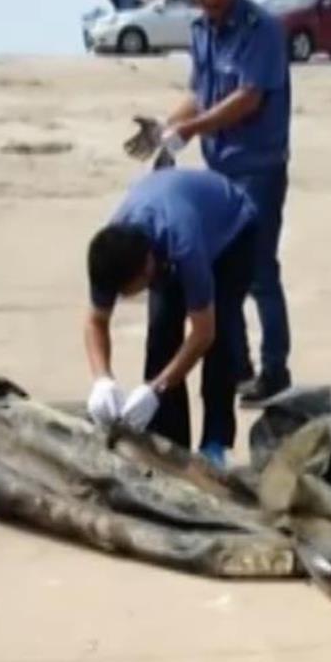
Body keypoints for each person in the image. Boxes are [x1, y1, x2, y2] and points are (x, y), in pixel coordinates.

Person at [151, 0, 293, 407]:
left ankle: (275, 368)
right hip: (219, 172)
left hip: (259, 169)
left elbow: (247, 98)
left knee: (258, 270)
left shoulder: (262, 30)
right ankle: (239, 362)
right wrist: (167, 126)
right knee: (220, 268)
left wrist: (191, 128)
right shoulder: (200, 31)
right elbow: (201, 92)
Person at [84, 167, 258, 467]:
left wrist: (157, 389)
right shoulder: (110, 253)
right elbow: (95, 321)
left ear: (147, 268)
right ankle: (167, 442)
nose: (127, 298)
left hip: (233, 233)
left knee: (220, 341)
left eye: (131, 291)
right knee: (161, 335)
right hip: (172, 215)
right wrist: (102, 378)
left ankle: (215, 444)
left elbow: (204, 333)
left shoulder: (184, 245)